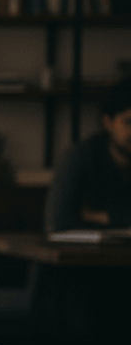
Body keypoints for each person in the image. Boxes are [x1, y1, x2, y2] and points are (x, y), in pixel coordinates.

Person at [45, 76, 131, 232]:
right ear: (108, 123)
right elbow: (57, 222)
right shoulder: (80, 157)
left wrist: (103, 217)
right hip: (87, 247)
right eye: (128, 122)